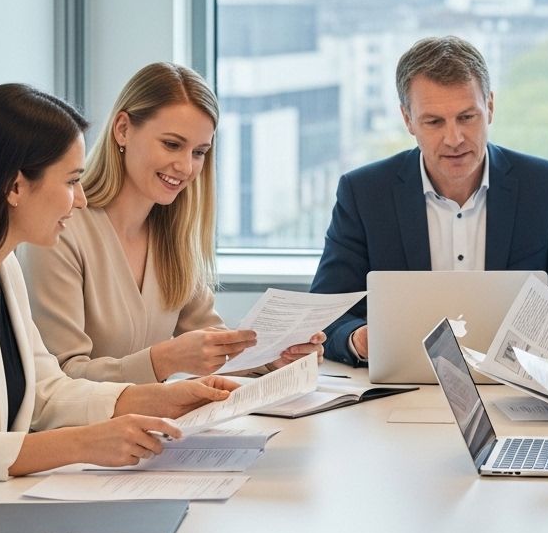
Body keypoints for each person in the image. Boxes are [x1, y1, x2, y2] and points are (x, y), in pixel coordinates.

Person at [0, 84, 240, 495]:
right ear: (15, 186)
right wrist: (82, 443)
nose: (80, 200)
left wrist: (158, 400)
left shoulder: (3, 269)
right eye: (71, 182)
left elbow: (46, 393)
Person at [312, 35, 548, 366]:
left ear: (490, 108)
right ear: (408, 120)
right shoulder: (364, 193)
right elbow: (324, 315)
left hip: (519, 389)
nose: (454, 139)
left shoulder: (547, 188)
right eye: (434, 122)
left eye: (467, 117)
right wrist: (360, 339)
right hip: (401, 391)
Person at [22, 63, 323, 383]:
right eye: (172, 144)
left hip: (151, 427)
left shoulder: (173, 235)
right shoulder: (61, 231)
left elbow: (211, 341)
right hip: (86, 431)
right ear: (122, 129)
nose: (185, 166)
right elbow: (61, 378)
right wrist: (162, 361)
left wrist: (276, 356)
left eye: (199, 152)